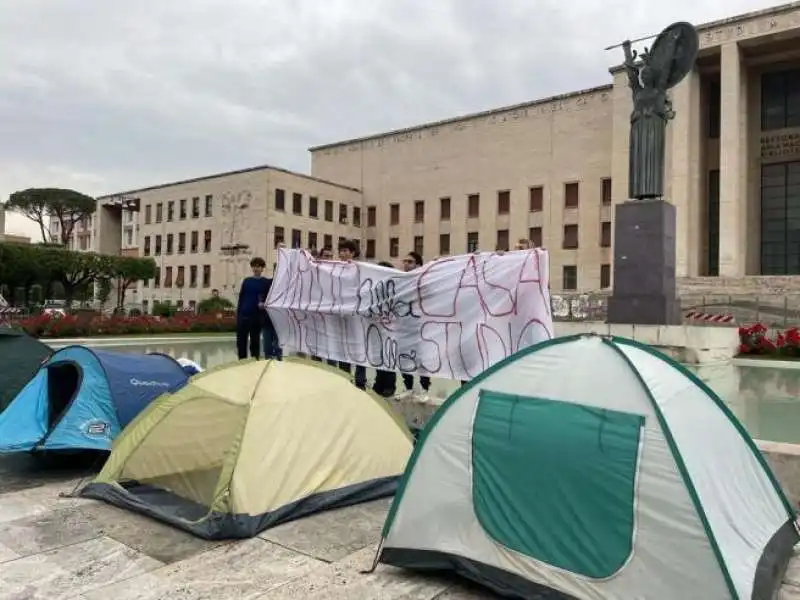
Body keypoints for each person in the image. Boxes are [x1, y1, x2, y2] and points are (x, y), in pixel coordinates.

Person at [399, 251, 431, 397]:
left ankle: (424, 389)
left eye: (410, 262)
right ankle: (408, 387)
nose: (406, 264)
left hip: (419, 327)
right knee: (404, 357)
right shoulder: (399, 281)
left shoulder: (424, 281)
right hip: (403, 326)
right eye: (404, 261)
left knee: (421, 359)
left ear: (418, 265)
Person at [336, 239, 367, 390]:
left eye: (346, 251)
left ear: (353, 253)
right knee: (344, 348)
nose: (343, 253)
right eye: (341, 251)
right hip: (341, 314)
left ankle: (360, 381)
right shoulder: (334, 269)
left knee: (359, 347)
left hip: (356, 314)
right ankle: (344, 378)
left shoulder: (359, 268)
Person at [372, 261, 399, 397]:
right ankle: (379, 382)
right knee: (379, 356)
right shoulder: (375, 288)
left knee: (389, 355)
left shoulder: (394, 288)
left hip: (391, 327)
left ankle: (389, 385)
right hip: (378, 326)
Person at [236, 257, 269, 360]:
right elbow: (241, 298)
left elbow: (269, 298)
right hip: (244, 316)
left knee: (255, 341)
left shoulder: (266, 282)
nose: (256, 268)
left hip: (257, 316)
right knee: (241, 341)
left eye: (258, 266)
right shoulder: (246, 281)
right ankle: (242, 362)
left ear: (262, 268)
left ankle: (255, 361)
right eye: (254, 266)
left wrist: (264, 304)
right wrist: (238, 314)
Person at [262, 242, 283, 360]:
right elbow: (261, 299)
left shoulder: (285, 286)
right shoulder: (267, 283)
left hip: (279, 321)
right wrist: (261, 304)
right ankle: (267, 361)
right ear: (275, 271)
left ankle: (279, 362)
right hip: (267, 320)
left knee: (278, 346)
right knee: (267, 345)